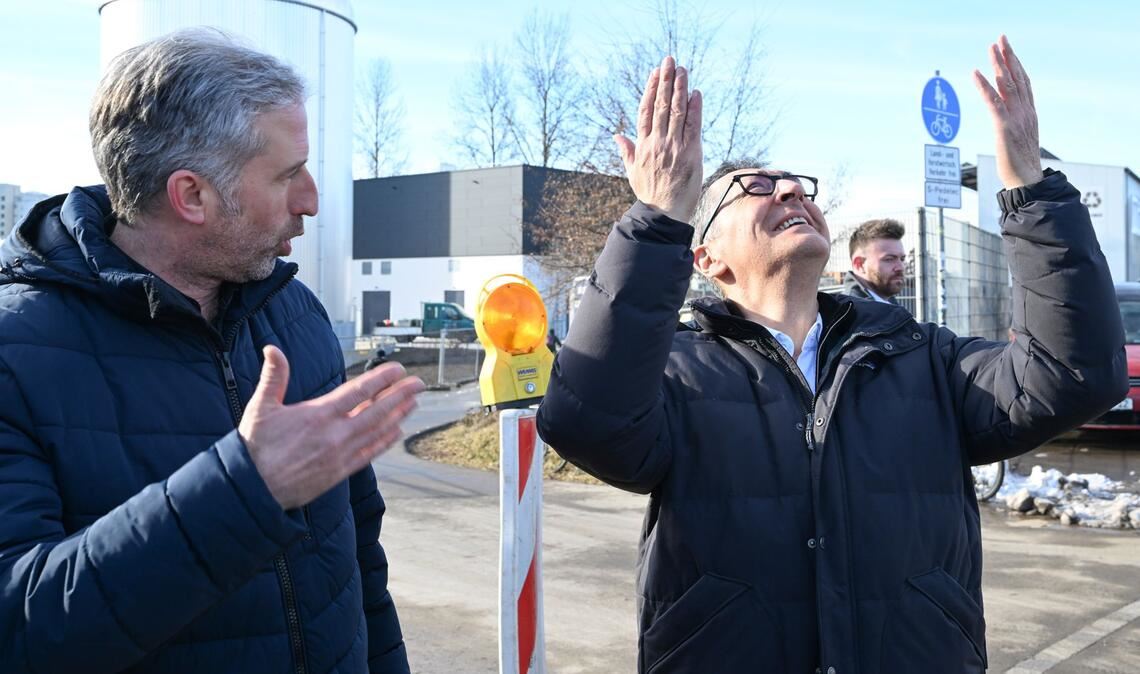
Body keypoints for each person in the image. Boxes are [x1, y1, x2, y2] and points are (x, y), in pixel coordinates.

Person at [537, 39, 1126, 673]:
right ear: (705, 258)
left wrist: (1031, 189)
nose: (790, 189)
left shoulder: (922, 356)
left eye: (798, 185)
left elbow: (1074, 375)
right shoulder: (675, 374)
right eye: (758, 188)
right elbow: (586, 422)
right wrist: (656, 218)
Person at [0, 29, 424, 674]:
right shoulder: (15, 352)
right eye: (287, 175)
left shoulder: (295, 312)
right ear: (192, 195)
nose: (311, 200)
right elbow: (19, 629)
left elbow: (358, 561)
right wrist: (243, 492)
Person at [842, 217, 906, 303]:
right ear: (860, 265)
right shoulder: (854, 313)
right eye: (889, 259)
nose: (900, 267)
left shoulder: (885, 303)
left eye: (902, 259)